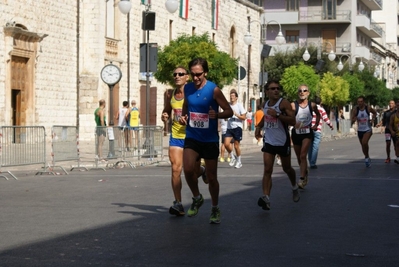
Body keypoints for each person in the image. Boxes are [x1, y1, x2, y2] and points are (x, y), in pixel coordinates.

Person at [179, 58, 233, 224]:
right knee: (187, 170)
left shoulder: (213, 90)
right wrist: (184, 116)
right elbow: (186, 106)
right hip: (192, 136)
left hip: (209, 139)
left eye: (199, 74)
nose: (195, 78)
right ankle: (197, 197)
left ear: (205, 73)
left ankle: (215, 207)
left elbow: (229, 111)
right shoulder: (187, 88)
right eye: (193, 74)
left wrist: (216, 115)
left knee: (212, 176)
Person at [161, 66, 207, 216]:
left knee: (191, 171)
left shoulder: (193, 93)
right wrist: (165, 115)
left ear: (187, 77)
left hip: (192, 135)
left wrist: (188, 118)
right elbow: (167, 109)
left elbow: (202, 111)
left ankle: (202, 171)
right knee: (176, 168)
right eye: (175, 74)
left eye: (180, 74)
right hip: (176, 136)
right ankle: (178, 203)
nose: (177, 76)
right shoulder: (173, 94)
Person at [255, 80, 300, 210]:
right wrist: (259, 127)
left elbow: (292, 121)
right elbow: (266, 117)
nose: (276, 91)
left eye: (277, 88)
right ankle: (266, 198)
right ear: (267, 91)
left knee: (287, 168)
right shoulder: (265, 104)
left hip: (282, 141)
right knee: (267, 170)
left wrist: (278, 115)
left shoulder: (283, 103)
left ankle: (294, 186)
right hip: (269, 140)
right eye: (273, 88)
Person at [291, 84, 320, 189]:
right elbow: (288, 116)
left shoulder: (312, 105)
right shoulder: (293, 105)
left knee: (303, 155)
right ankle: (305, 172)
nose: (302, 92)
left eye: (304, 90)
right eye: (300, 91)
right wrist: (291, 123)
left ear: (308, 93)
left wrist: (316, 125)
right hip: (296, 133)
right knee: (299, 157)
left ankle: (302, 177)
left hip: (307, 132)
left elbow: (318, 114)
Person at [308, 97, 334, 169]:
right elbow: (326, 119)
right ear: (321, 102)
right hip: (317, 129)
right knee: (315, 146)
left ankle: (310, 161)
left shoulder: (310, 108)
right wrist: (331, 125)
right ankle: (313, 163)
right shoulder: (321, 109)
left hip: (309, 129)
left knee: (310, 146)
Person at [350, 96, 376, 167]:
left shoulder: (368, 108)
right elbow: (352, 120)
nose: (360, 103)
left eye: (361, 101)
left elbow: (374, 113)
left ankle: (367, 158)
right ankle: (367, 157)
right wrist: (353, 119)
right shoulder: (356, 109)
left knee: (365, 142)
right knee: (363, 145)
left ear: (364, 102)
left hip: (368, 129)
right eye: (358, 102)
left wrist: (372, 120)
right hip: (360, 130)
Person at [224, 90, 247, 169]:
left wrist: (236, 114)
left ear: (236, 97)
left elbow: (244, 117)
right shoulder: (228, 105)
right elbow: (225, 117)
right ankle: (233, 157)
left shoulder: (239, 105)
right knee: (226, 144)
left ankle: (239, 161)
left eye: (233, 96)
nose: (231, 97)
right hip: (229, 127)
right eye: (231, 96)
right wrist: (226, 116)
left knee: (236, 146)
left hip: (237, 127)